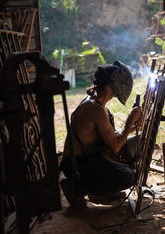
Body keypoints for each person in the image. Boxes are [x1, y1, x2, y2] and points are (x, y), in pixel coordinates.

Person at [60, 61, 142, 207]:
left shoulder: (97, 104)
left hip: (84, 159)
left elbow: (112, 137)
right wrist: (130, 120)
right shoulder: (94, 109)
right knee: (129, 177)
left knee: (127, 162)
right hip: (76, 165)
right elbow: (115, 146)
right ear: (112, 85)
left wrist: (132, 127)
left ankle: (100, 191)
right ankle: (77, 188)